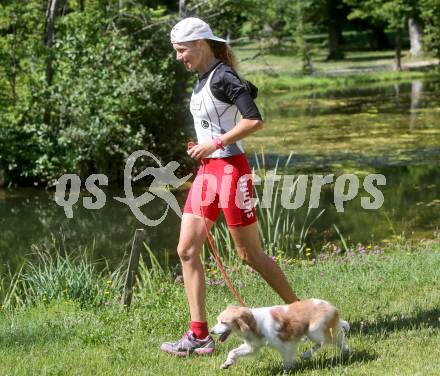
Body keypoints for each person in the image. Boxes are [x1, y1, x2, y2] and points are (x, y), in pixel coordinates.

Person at [161, 17, 300, 356]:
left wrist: (216, 142)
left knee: (249, 255)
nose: (179, 57)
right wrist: (204, 146)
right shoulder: (205, 78)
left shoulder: (222, 75)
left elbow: (255, 119)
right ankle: (199, 336)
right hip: (209, 171)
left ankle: (302, 314)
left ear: (201, 44)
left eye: (182, 50)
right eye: (176, 51)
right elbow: (240, 97)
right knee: (187, 250)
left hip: (230, 172)